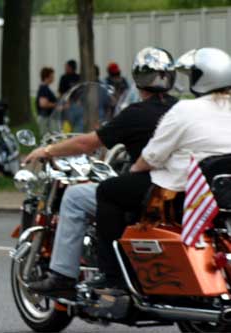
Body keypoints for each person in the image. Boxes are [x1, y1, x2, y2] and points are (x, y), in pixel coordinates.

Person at [23, 47, 178, 297]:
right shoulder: (180, 109)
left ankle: (68, 276)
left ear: (138, 77)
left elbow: (87, 143)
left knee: (76, 197)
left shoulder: (136, 113)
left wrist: (48, 150)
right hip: (182, 190)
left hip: (152, 189)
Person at [96, 47, 231, 289]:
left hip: (178, 194)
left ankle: (113, 278)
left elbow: (151, 157)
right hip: (221, 196)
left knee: (108, 191)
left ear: (200, 79)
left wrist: (133, 171)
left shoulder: (186, 109)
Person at [36, 67, 58, 135]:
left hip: (47, 118)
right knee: (47, 139)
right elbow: (43, 104)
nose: (53, 78)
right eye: (52, 76)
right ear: (47, 77)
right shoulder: (44, 88)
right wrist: (57, 105)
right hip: (45, 118)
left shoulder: (46, 88)